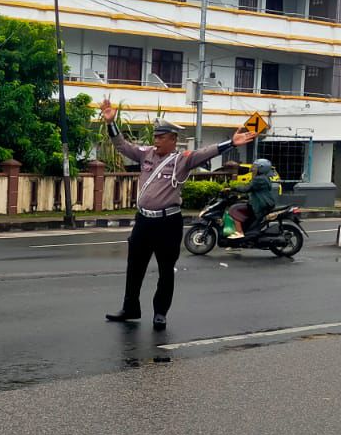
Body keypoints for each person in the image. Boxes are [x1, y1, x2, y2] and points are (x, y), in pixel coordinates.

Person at [100, 101, 255, 329]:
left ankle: (160, 313)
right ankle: (130, 307)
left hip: (168, 222)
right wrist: (111, 122)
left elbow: (204, 153)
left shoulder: (182, 159)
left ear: (172, 139)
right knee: (135, 266)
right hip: (144, 221)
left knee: (165, 269)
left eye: (161, 137)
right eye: (155, 136)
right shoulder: (146, 155)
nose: (156, 140)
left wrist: (230, 143)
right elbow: (122, 145)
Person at [227, 158, 278, 238]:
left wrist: (232, 188)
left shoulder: (259, 179)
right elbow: (255, 191)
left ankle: (239, 232)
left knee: (234, 209)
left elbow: (246, 188)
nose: (252, 169)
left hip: (261, 204)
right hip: (262, 202)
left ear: (261, 168)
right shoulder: (263, 177)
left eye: (255, 167)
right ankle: (246, 231)